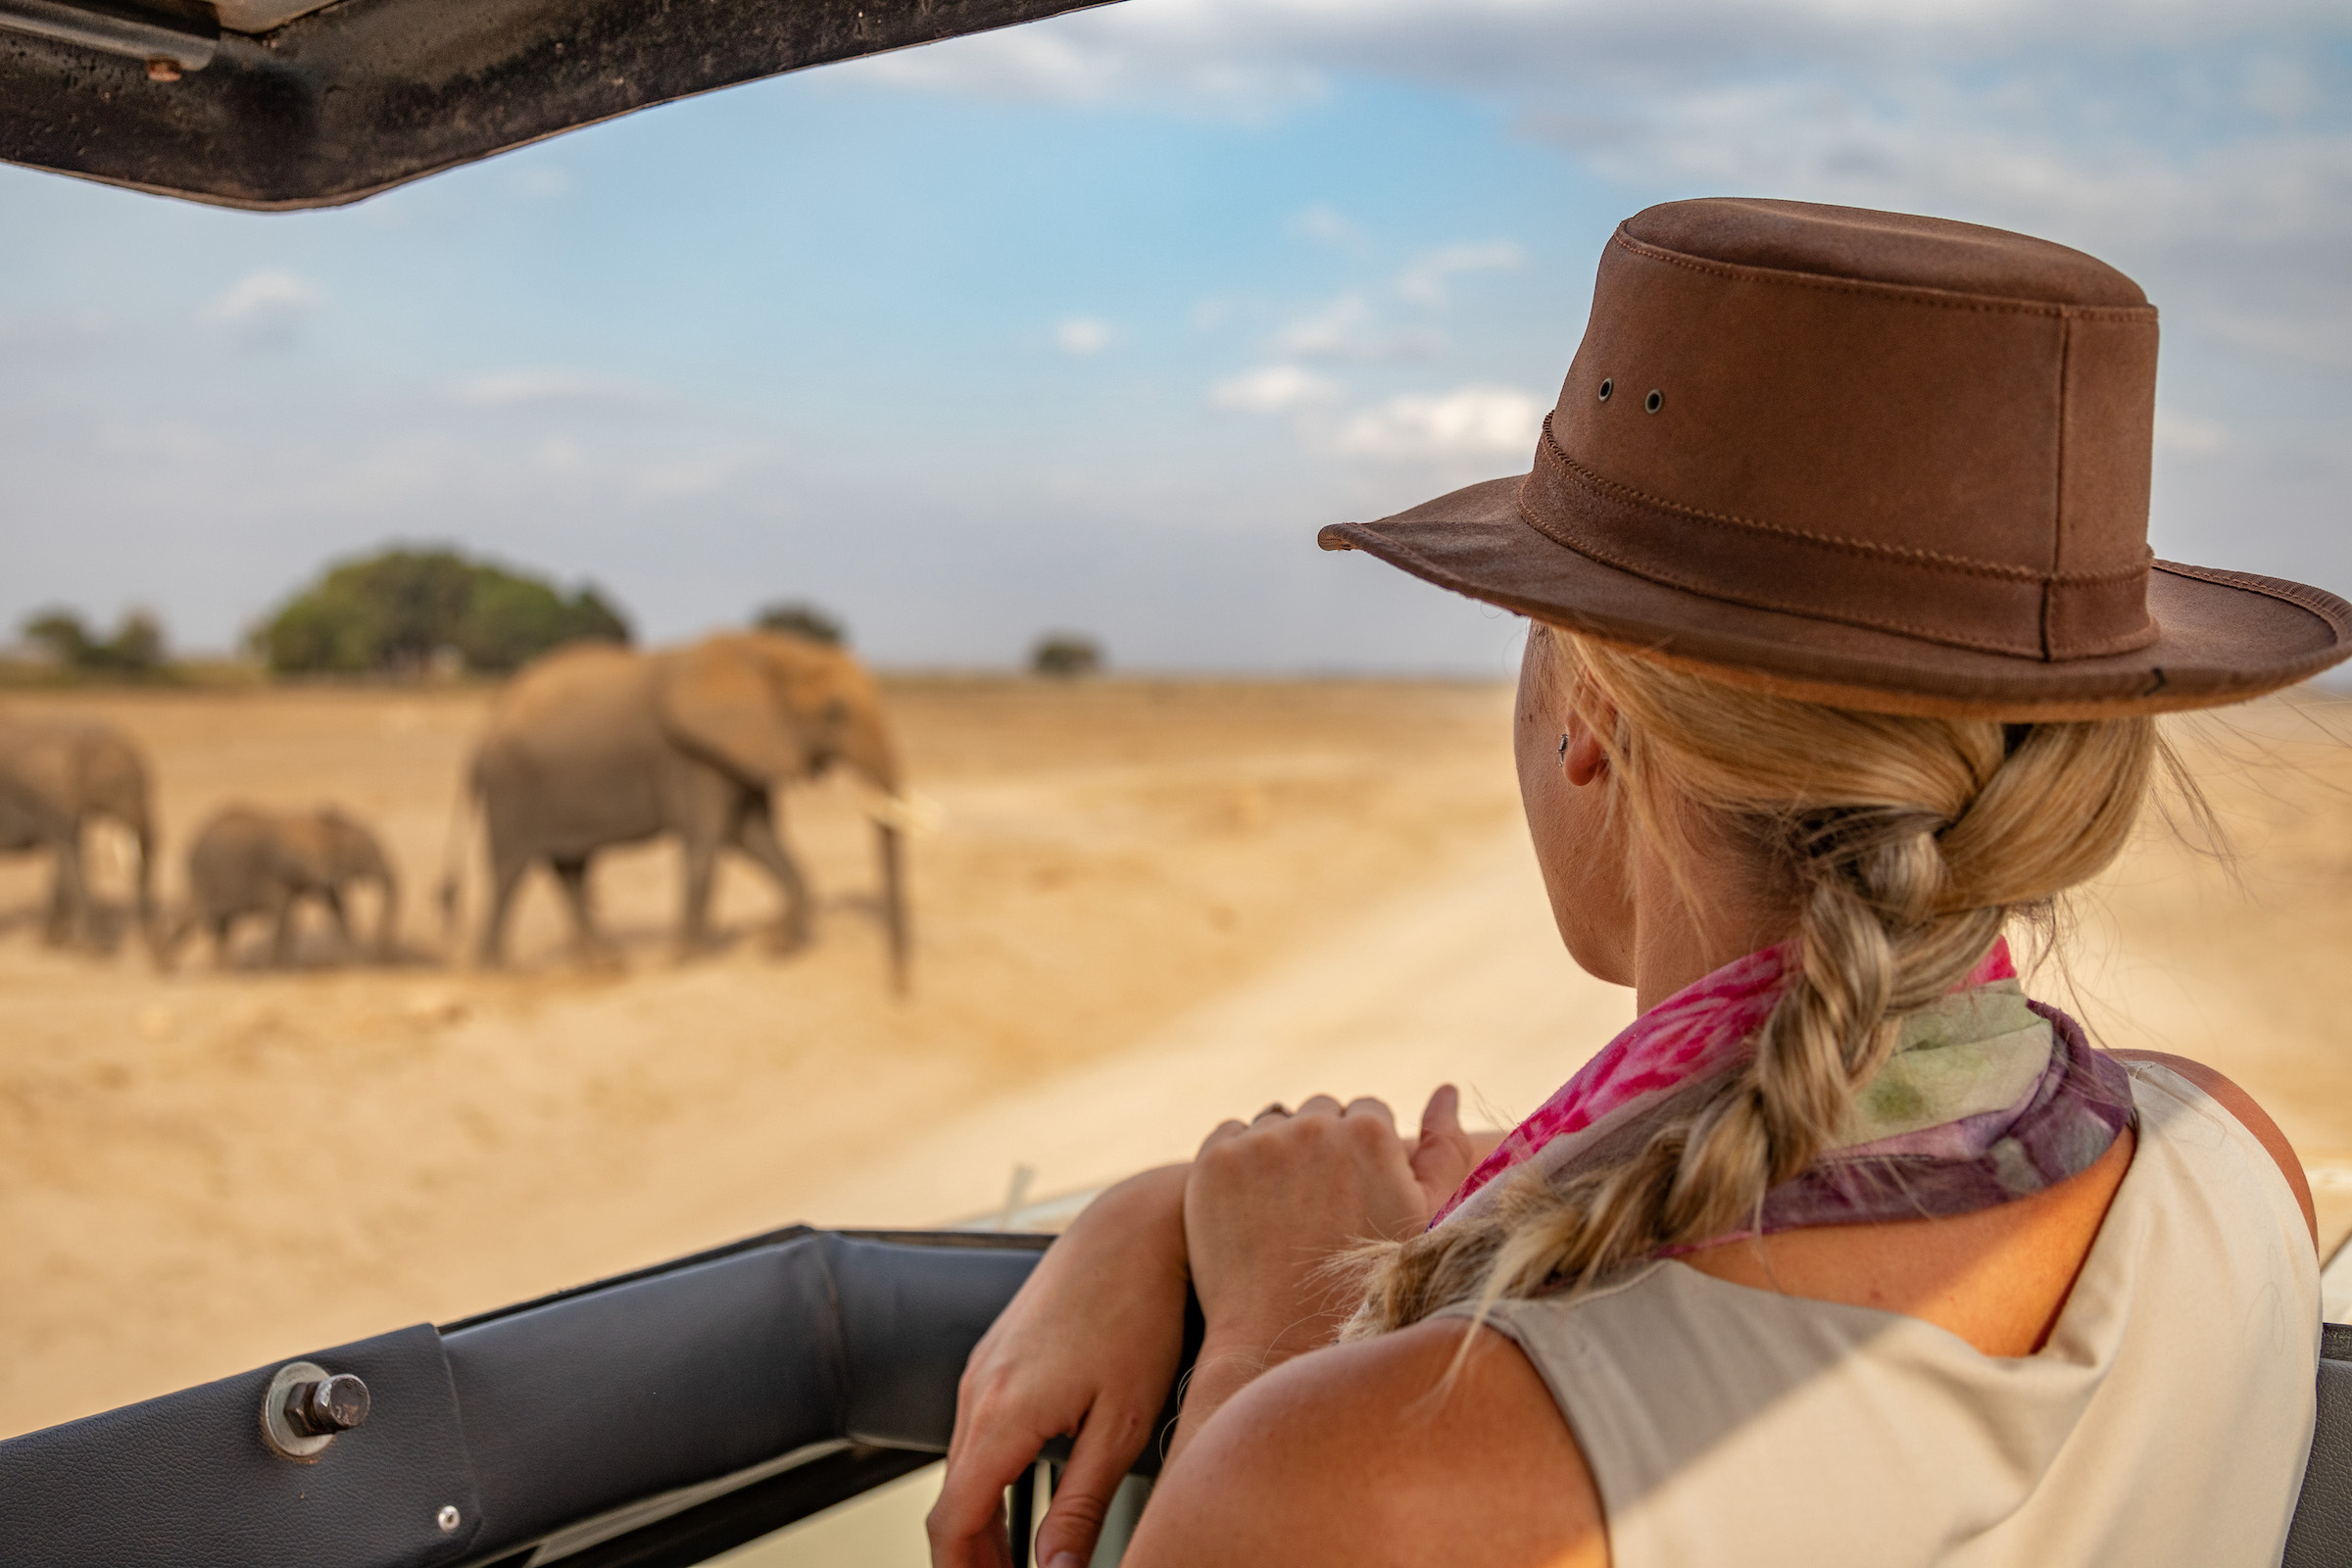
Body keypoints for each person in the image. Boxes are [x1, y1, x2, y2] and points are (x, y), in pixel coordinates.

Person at [926, 199, 2352, 1568]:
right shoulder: (2226, 1161)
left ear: (1595, 712)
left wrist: (1270, 1333)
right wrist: (1158, 1206)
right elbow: (1752, 1156)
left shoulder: (1369, 1475)